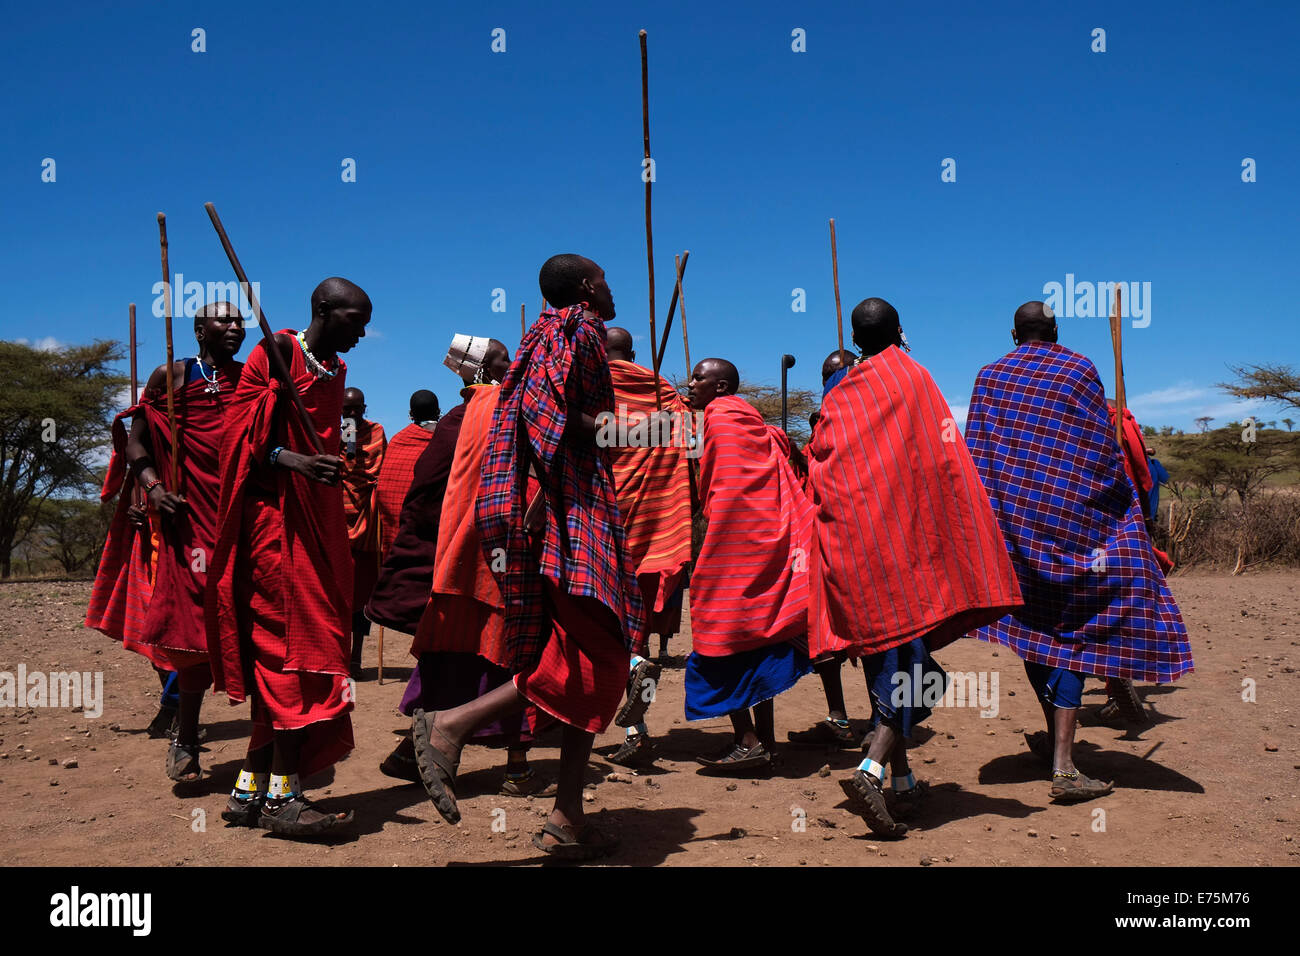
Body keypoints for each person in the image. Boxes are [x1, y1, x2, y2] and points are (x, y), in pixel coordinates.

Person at [410, 254, 643, 860]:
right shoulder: (578, 332)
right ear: (589, 288)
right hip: (570, 514)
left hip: (551, 509)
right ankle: (450, 725)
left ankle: (567, 816)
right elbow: (559, 423)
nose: (613, 288)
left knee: (584, 656)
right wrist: (632, 429)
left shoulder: (539, 337)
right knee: (600, 656)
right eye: (607, 279)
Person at [807, 297, 1023, 838]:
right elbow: (940, 462)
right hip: (903, 553)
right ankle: (872, 768)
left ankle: (903, 787)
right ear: (900, 330)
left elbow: (822, 464)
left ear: (856, 340)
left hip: (857, 554)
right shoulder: (912, 377)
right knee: (914, 676)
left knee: (890, 667)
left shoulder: (842, 394)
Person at [964, 301, 1194, 803]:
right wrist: (1123, 502)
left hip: (1016, 527)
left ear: (1013, 333)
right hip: (1076, 527)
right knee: (1069, 632)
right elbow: (1098, 450)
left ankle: (1058, 744)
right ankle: (1065, 766)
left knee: (1037, 631)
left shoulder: (989, 377)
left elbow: (976, 453)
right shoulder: (1078, 368)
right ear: (1056, 331)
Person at [207, 277, 372, 837]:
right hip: (274, 528)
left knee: (310, 644)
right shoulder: (274, 353)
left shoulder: (336, 371)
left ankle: (249, 789)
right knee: (291, 653)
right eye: (355, 319)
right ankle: (284, 799)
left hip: (317, 523)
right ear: (325, 310)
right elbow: (239, 440)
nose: (364, 332)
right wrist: (293, 460)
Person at [383, 336, 551, 797]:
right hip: (490, 555)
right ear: (481, 370)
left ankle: (409, 750)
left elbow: (426, 489)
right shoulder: (489, 414)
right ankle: (516, 766)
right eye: (502, 358)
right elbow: (431, 488)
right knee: (506, 651)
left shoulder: (478, 415)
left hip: (474, 556)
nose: (511, 363)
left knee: (455, 653)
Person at [87, 302, 246, 781]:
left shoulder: (253, 378)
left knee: (251, 628)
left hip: (242, 520)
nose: (236, 328)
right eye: (224, 320)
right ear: (199, 330)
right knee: (192, 632)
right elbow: (136, 442)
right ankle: (186, 736)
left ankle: (268, 753)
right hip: (187, 521)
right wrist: (155, 488)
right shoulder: (171, 376)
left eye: (240, 321)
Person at [683, 357, 814, 776]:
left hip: (733, 546)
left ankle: (747, 741)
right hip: (765, 545)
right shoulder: (755, 423)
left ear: (721, 387)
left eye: (698, 378)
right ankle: (765, 742)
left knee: (720, 632)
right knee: (758, 636)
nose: (690, 383)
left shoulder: (720, 419)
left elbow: (728, 493)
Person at [602, 325, 694, 769]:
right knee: (633, 628)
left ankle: (635, 727)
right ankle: (637, 729)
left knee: (600, 629)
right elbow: (690, 443)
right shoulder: (662, 392)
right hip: (654, 528)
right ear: (634, 352)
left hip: (602, 524)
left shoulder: (589, 389)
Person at [788, 348, 865, 751]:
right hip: (820, 539)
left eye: (837, 373)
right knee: (820, 629)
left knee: (871, 634)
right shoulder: (824, 421)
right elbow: (812, 476)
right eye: (826, 375)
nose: (831, 381)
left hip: (861, 539)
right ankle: (838, 716)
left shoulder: (866, 415)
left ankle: (882, 718)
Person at [340, 387, 387, 675]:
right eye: (347, 410)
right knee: (340, 595)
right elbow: (337, 472)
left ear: (365, 408)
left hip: (367, 523)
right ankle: (339, 656)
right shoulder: (335, 435)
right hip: (338, 523)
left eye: (357, 409)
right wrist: (346, 444)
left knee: (363, 594)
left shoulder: (377, 431)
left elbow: (377, 469)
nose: (353, 415)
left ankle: (356, 657)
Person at [375, 389, 440, 560]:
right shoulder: (447, 439)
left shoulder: (398, 441)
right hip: (434, 531)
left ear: (411, 414)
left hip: (399, 534)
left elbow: (386, 491)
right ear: (439, 412)